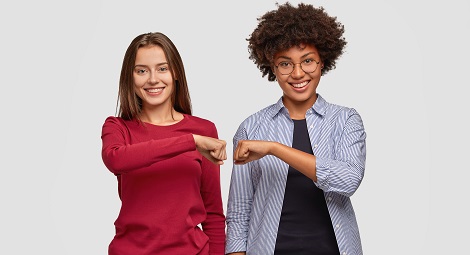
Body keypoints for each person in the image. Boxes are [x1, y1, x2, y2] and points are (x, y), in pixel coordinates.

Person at [225, 3, 367, 255]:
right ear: (272, 68)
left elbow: (348, 180)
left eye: (308, 61)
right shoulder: (251, 127)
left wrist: (275, 149)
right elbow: (239, 211)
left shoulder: (345, 120)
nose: (298, 73)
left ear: (322, 61)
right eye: (285, 64)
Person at [101, 32, 226, 255]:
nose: (152, 79)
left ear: (175, 72)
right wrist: (190, 142)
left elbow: (213, 213)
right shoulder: (118, 127)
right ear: (130, 77)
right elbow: (116, 159)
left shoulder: (204, 130)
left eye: (162, 68)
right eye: (141, 71)